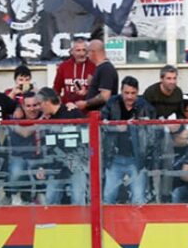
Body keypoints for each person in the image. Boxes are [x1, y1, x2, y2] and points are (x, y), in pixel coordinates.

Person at [101, 77, 157, 205]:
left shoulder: (146, 107)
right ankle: (108, 225)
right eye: (126, 93)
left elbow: (152, 134)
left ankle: (136, 225)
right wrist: (116, 128)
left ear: (138, 92)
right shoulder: (112, 103)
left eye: (133, 93)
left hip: (136, 160)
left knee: (138, 199)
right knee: (108, 198)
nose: (129, 96)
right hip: (114, 158)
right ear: (121, 91)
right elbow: (100, 124)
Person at [52, 38, 93, 108]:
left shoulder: (93, 66)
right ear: (72, 51)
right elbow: (56, 89)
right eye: (78, 50)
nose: (82, 53)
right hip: (68, 109)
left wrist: (86, 92)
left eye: (84, 50)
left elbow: (98, 91)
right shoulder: (63, 67)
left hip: (87, 108)